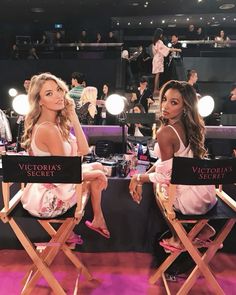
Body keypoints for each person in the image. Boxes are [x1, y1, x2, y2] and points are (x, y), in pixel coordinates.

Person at [129, 80, 217, 251]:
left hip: (191, 203)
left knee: (158, 187)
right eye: (165, 99)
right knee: (159, 181)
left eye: (174, 102)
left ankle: (178, 238)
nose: (165, 105)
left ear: (185, 107)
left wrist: (138, 177)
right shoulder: (192, 127)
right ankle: (203, 229)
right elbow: (165, 164)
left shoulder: (166, 133)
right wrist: (144, 175)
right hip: (207, 197)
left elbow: (165, 177)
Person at [21, 73, 110, 239]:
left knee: (98, 167)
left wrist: (74, 117)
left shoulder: (55, 124)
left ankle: (95, 220)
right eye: (49, 94)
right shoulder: (49, 129)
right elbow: (65, 174)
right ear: (40, 101)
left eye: (58, 90)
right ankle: (69, 232)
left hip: (54, 182)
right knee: (97, 176)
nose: (58, 96)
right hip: (47, 200)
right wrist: (94, 175)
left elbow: (84, 151)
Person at [152, 28, 179, 94]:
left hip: (156, 58)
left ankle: (156, 89)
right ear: (160, 34)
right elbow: (166, 49)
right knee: (157, 75)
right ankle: (155, 89)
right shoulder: (160, 42)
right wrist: (177, 50)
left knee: (157, 75)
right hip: (158, 59)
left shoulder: (155, 42)